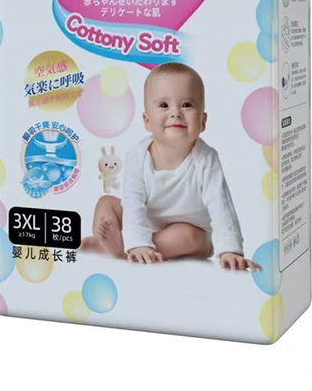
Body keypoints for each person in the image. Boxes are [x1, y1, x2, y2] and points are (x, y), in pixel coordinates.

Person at [81, 62, 261, 270]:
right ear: (147, 120)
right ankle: (122, 244)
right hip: (146, 221)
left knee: (189, 237)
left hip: (190, 231)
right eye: (164, 105)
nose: (176, 113)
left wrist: (231, 250)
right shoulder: (137, 157)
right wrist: (138, 241)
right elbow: (133, 204)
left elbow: (222, 207)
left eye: (187, 105)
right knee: (106, 203)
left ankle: (120, 249)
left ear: (203, 121)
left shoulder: (206, 159)